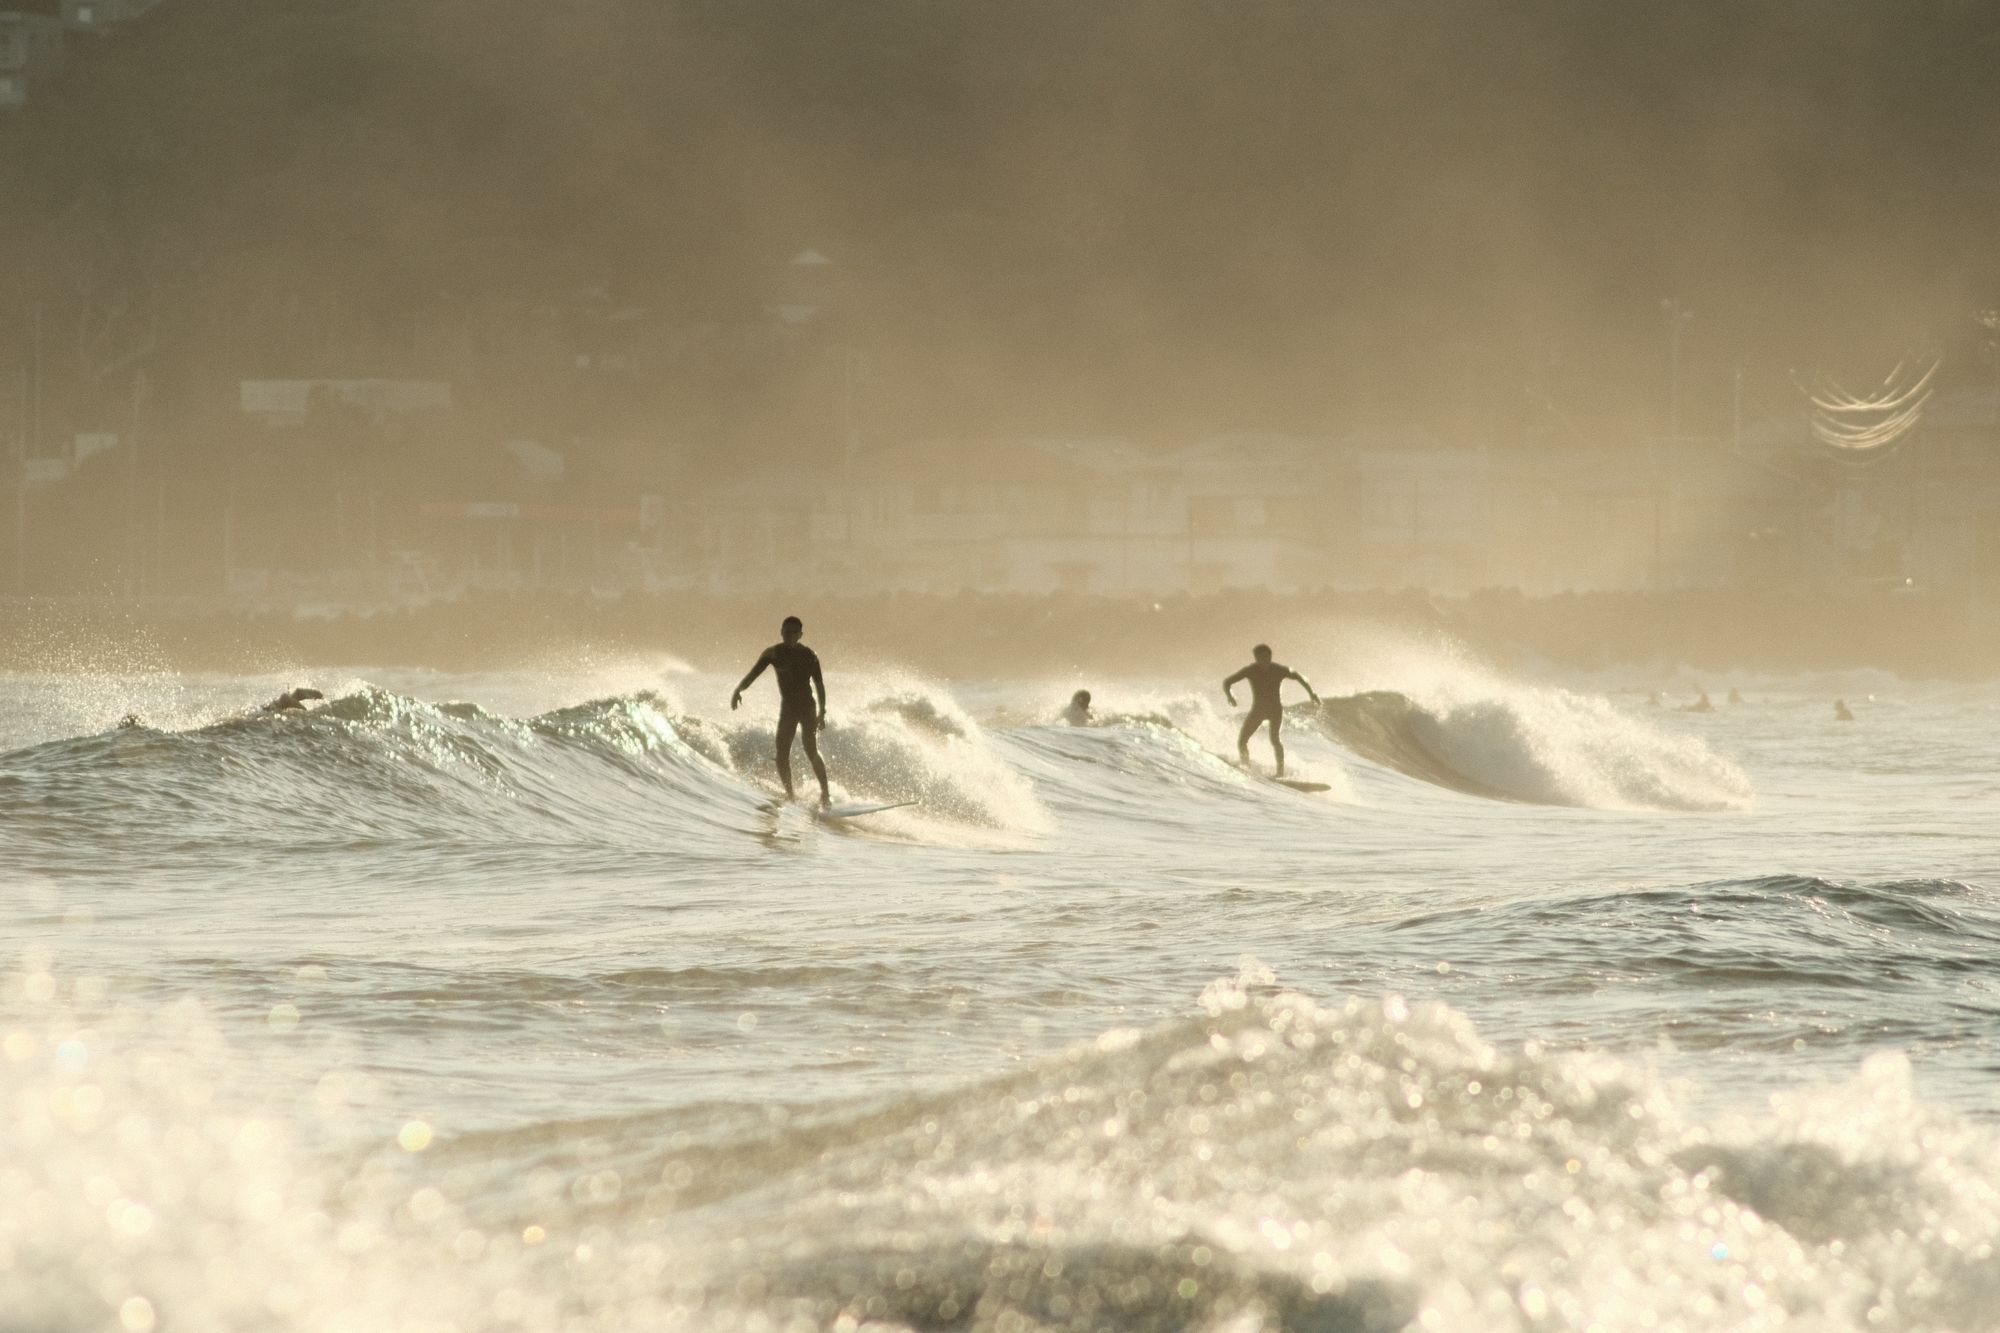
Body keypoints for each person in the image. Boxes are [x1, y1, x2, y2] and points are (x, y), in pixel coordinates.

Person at [731, 615, 830, 804]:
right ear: (781, 632)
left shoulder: (810, 655)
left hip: (808, 707)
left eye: (793, 633)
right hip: (789, 709)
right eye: (785, 632)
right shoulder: (773, 653)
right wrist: (738, 690)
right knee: (781, 754)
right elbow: (753, 674)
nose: (788, 635)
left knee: (811, 750)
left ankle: (825, 794)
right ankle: (790, 795)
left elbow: (819, 684)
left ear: (800, 635)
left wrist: (822, 712)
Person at [1223, 644, 1319, 776]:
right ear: (1256, 658)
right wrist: (1230, 696)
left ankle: (1280, 773)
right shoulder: (1250, 670)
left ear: (1270, 657)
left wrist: (1311, 693)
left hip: (1275, 710)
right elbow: (1227, 682)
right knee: (1242, 740)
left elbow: (1298, 677)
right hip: (1258, 710)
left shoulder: (1279, 669)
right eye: (1261, 658)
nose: (1265, 661)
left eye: (1267, 657)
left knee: (1274, 739)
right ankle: (1245, 766)